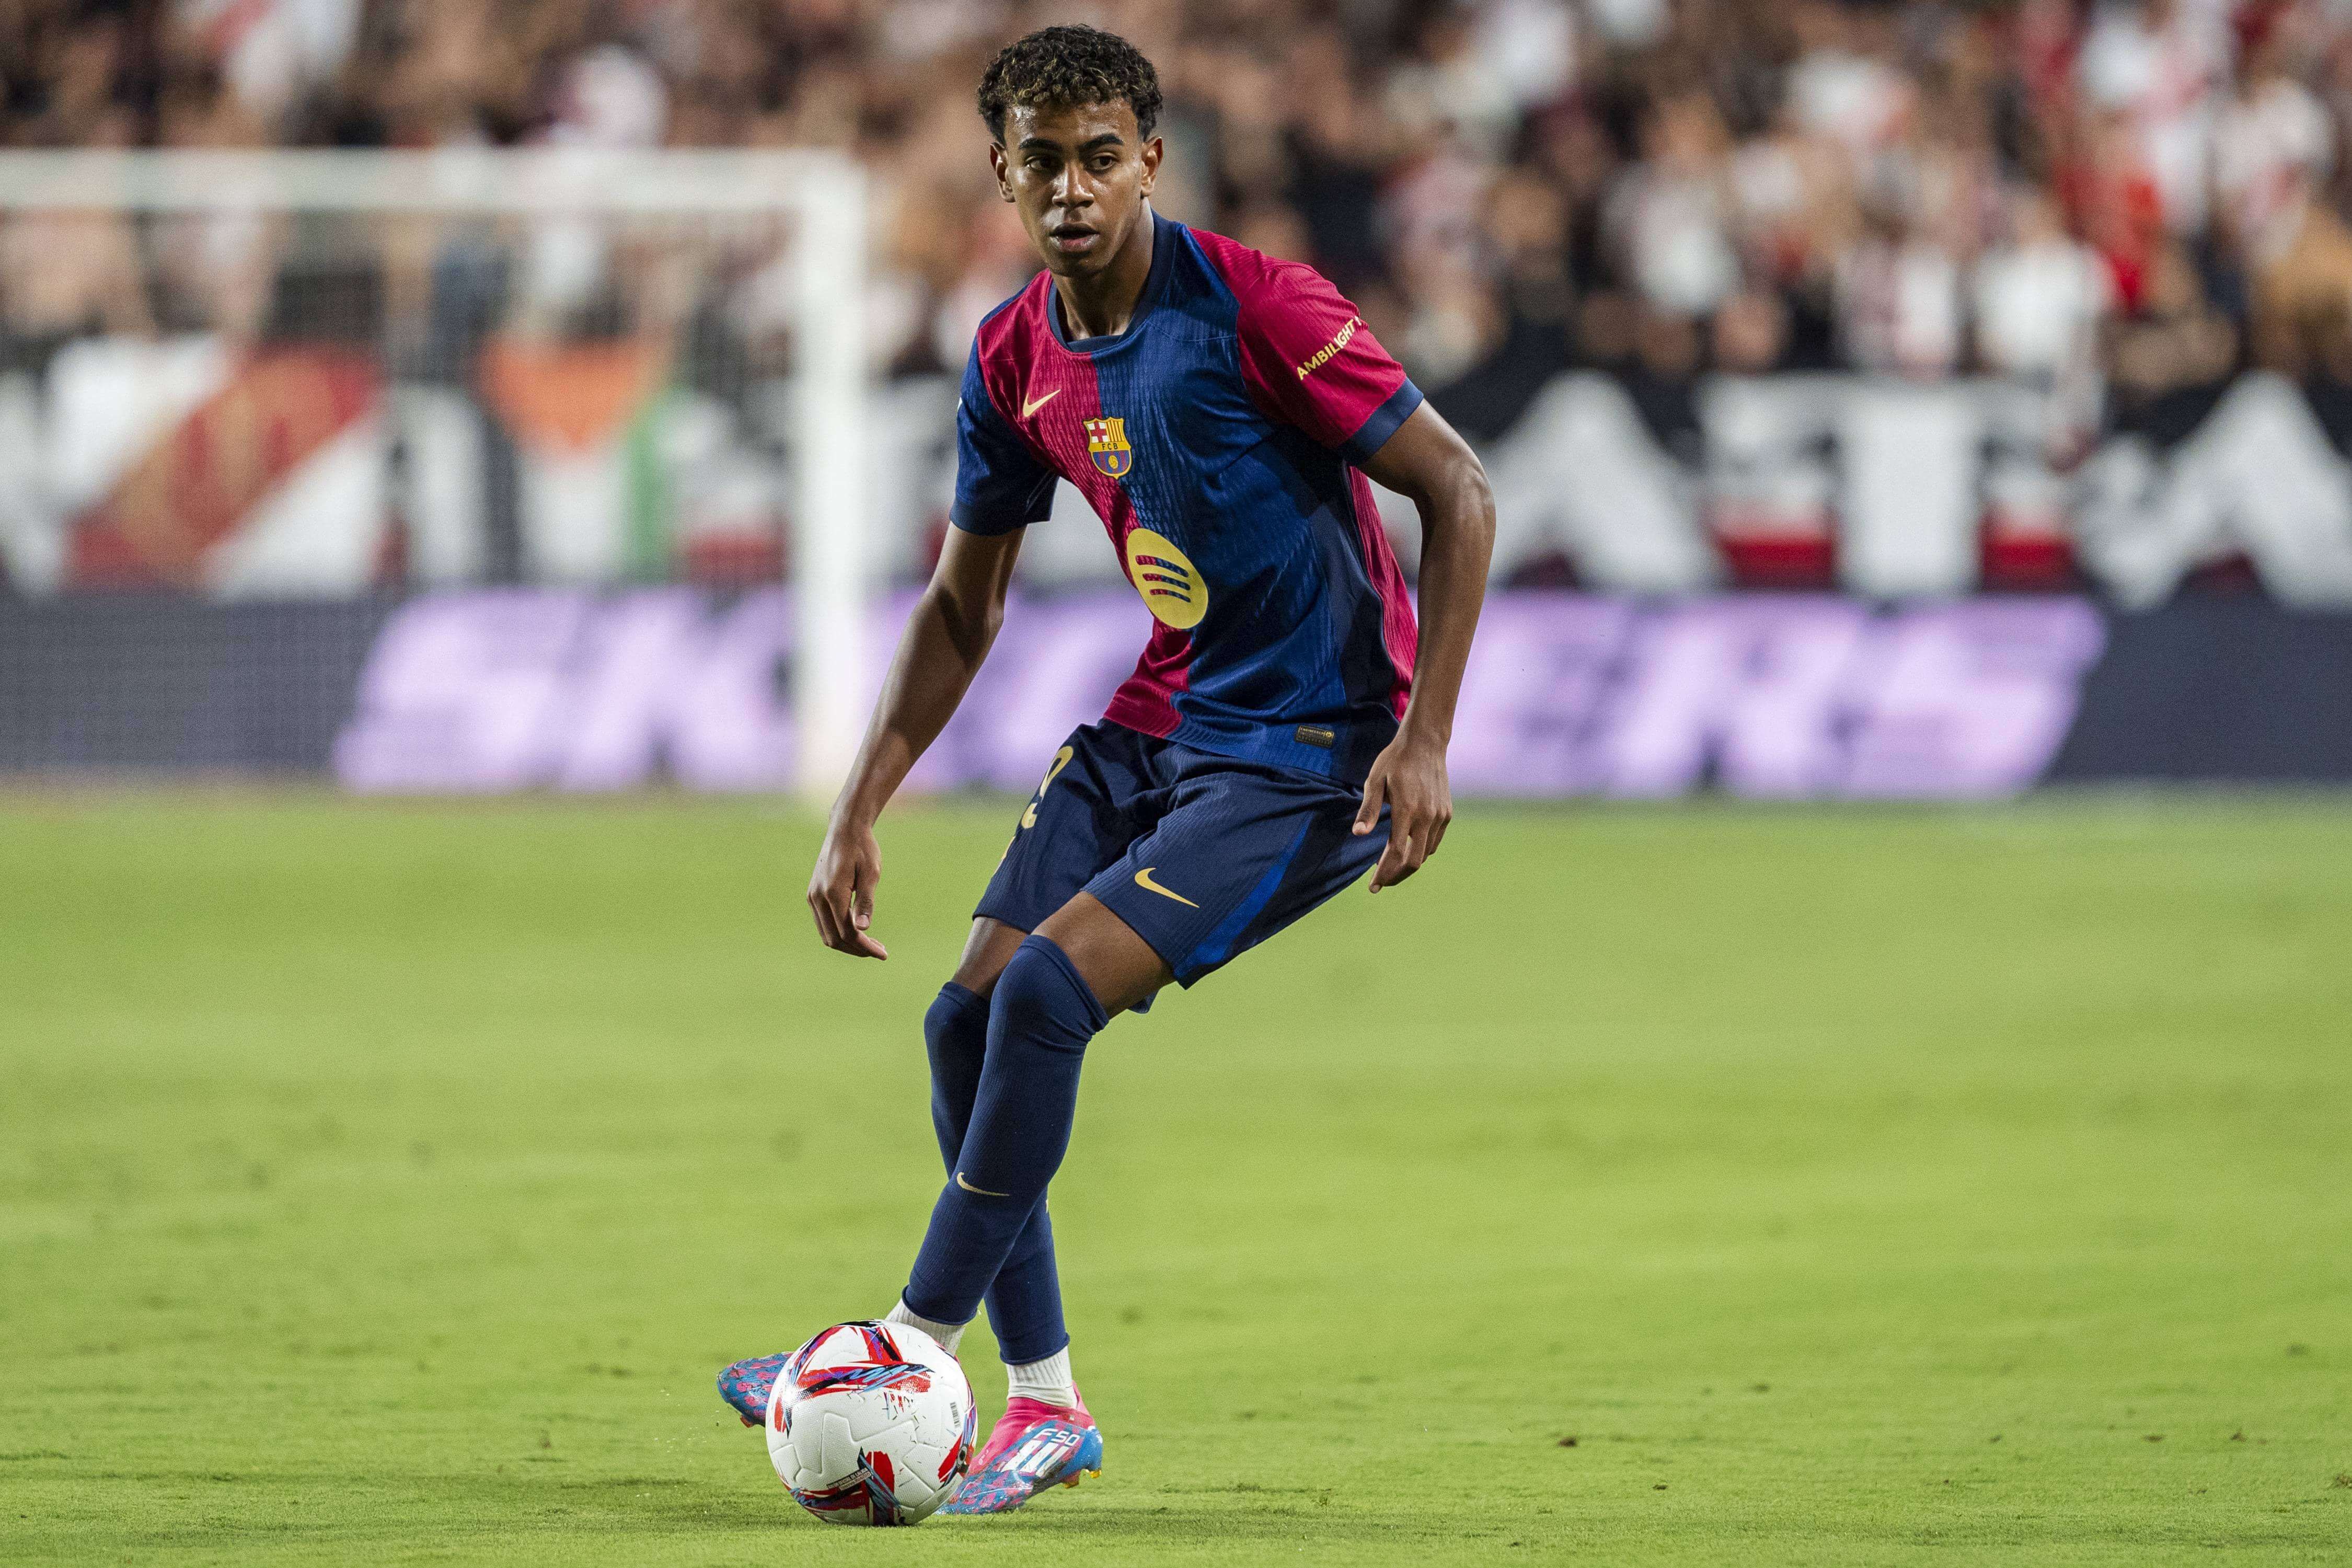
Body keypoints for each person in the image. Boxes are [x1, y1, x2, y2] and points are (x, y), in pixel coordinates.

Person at [718, 24, 1494, 1516]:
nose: (1069, 188)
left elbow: (1456, 491)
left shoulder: (1259, 306)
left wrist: (1426, 737)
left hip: (1312, 743)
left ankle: (900, 1353)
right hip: (1162, 714)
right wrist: (858, 802)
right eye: (1039, 162)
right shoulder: (1013, 354)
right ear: (1001, 174)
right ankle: (1046, 1405)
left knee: (1047, 995)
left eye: (1097, 158)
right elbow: (962, 605)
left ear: (1148, 158)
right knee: (964, 1021)